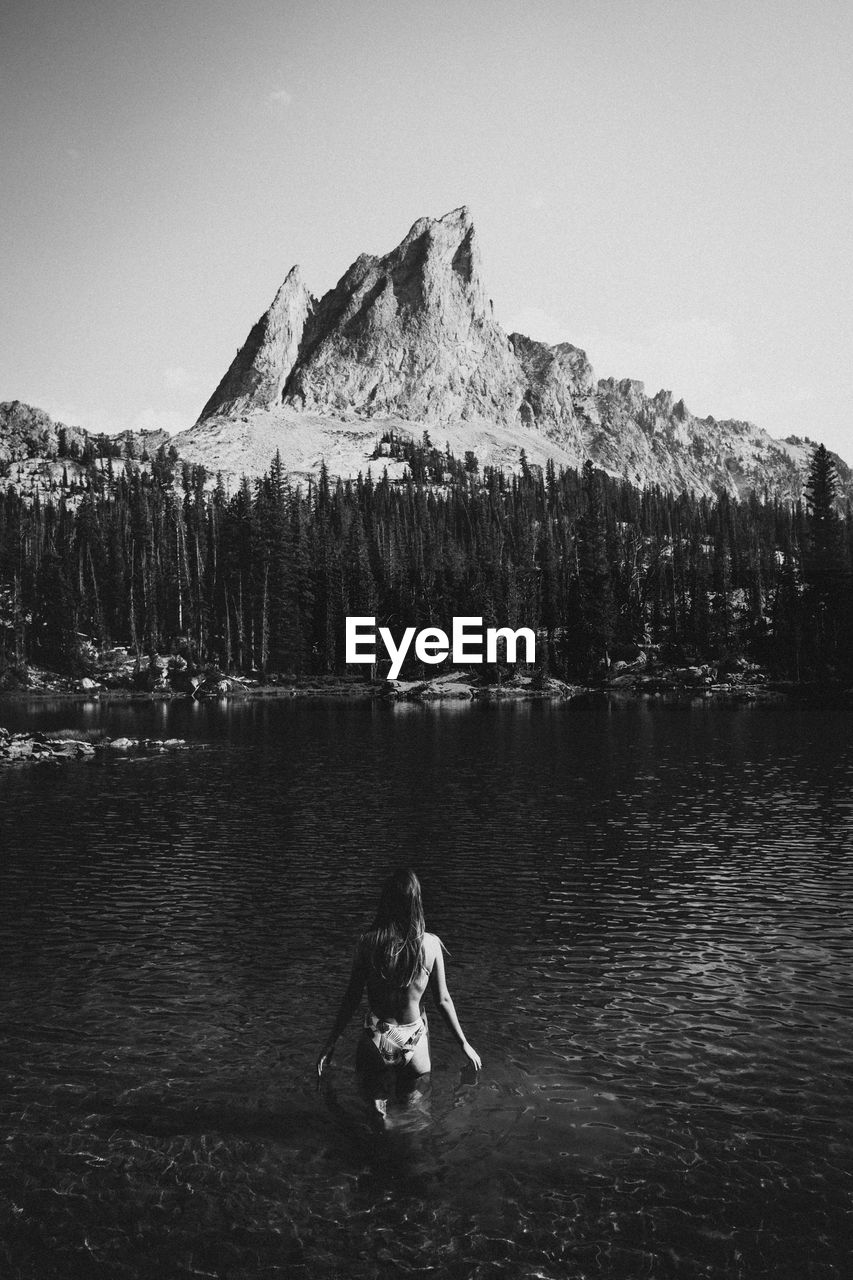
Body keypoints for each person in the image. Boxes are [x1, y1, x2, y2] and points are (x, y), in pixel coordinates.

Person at [316, 869, 482, 1084]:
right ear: (417, 903)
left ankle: (381, 1115)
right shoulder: (431, 945)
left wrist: (330, 1043)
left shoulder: (368, 944)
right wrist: (464, 1044)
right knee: (415, 1113)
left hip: (376, 1034)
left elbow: (352, 998)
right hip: (414, 1037)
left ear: (385, 903)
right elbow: (443, 1000)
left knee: (372, 1109)